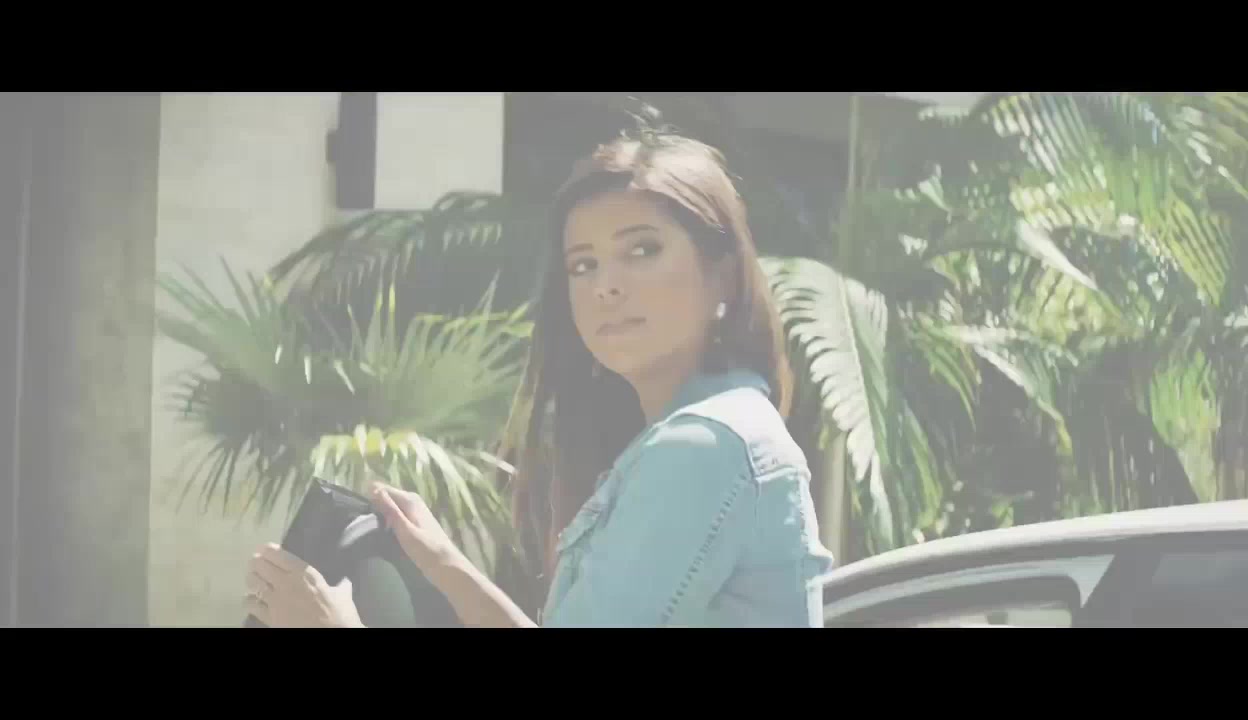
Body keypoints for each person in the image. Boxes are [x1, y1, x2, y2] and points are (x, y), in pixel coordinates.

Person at [243, 127, 834, 628]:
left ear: (723, 276)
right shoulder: (715, 431)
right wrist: (446, 564)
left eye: (642, 251)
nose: (606, 285)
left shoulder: (703, 447)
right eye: (584, 264)